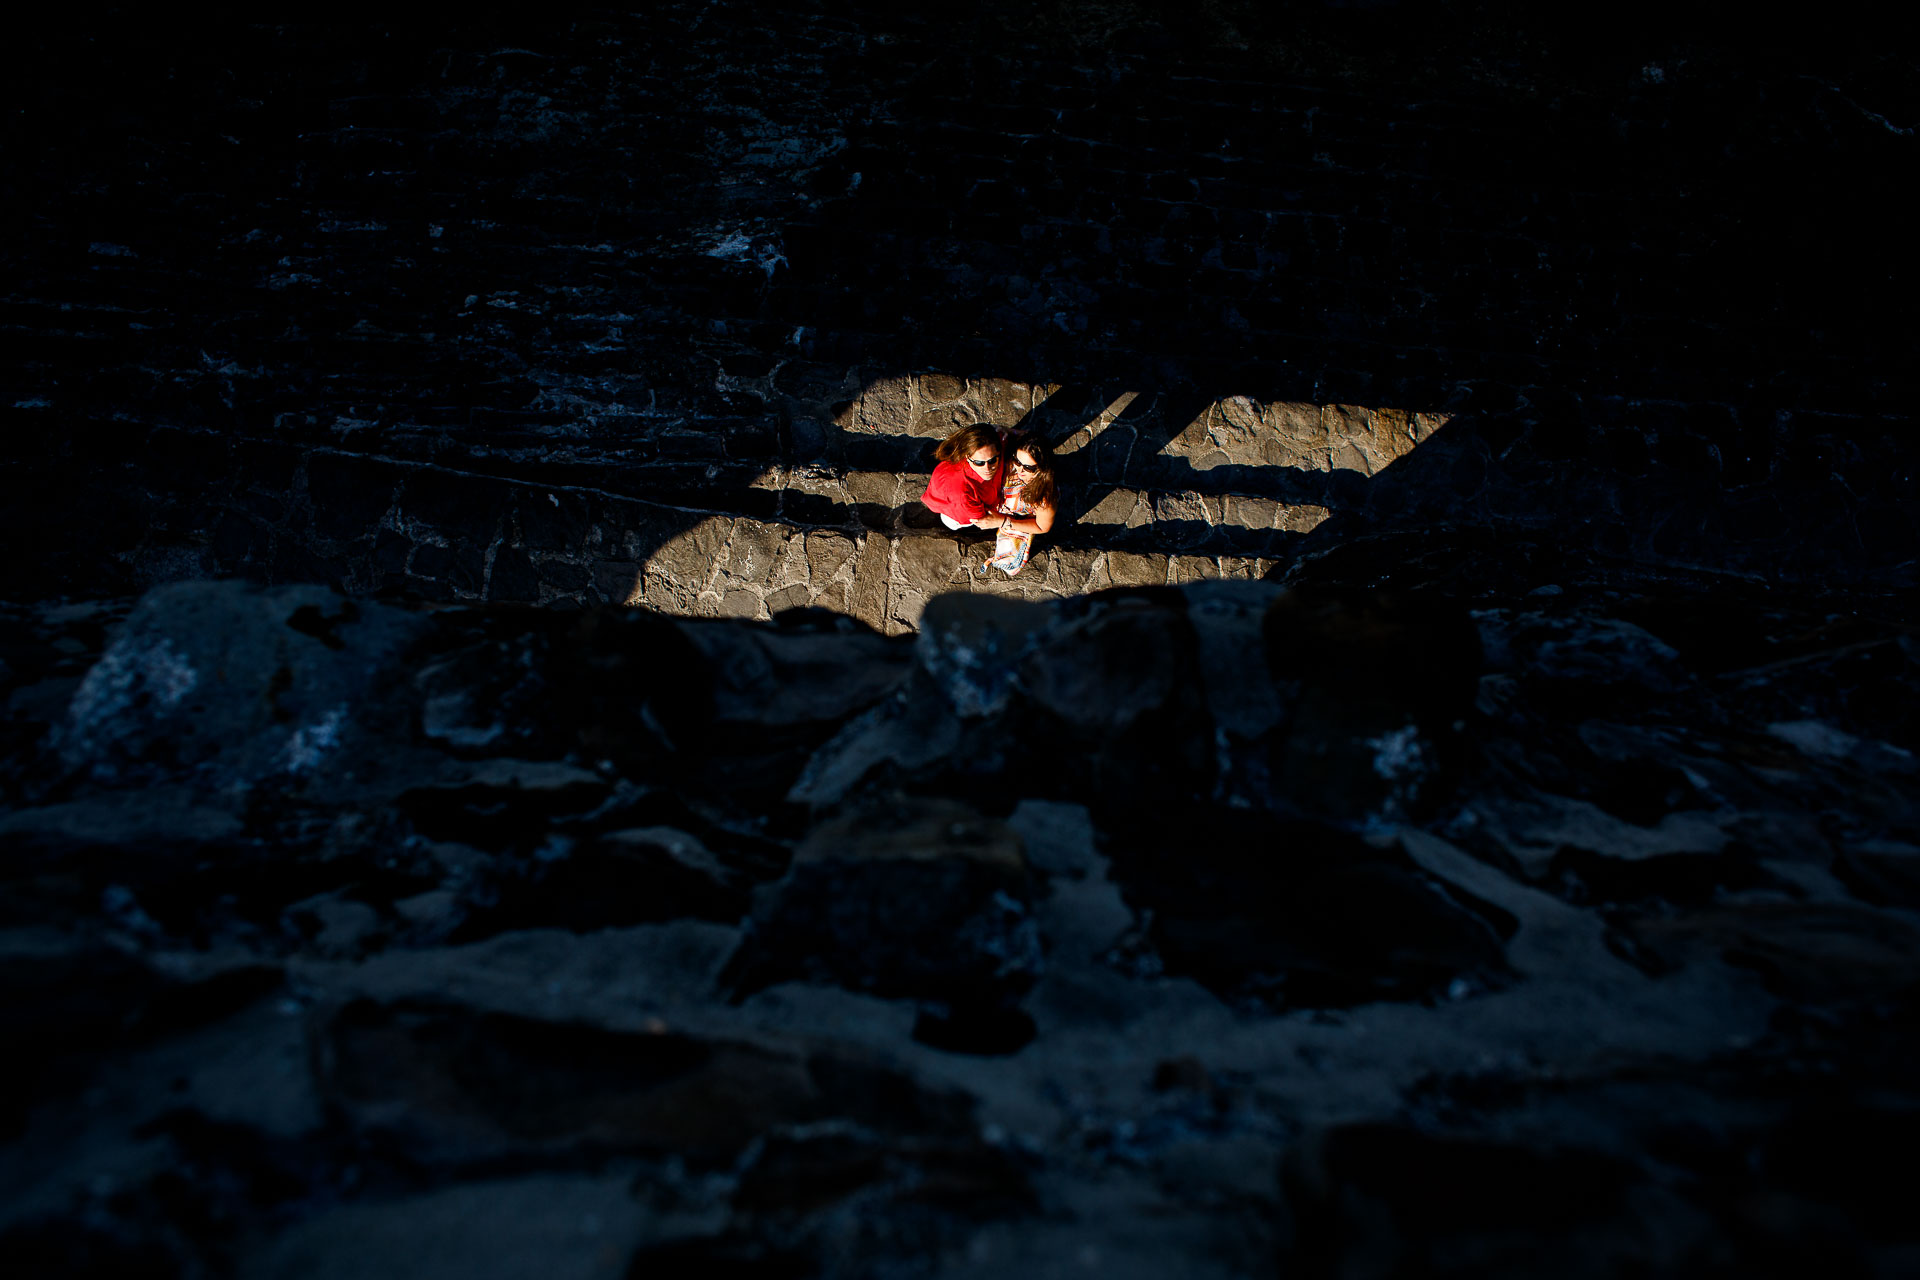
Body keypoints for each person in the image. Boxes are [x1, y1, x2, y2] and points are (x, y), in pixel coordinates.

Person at [984, 437, 1058, 577]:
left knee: (1010, 562)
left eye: (1028, 467)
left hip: (1018, 519)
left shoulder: (1044, 496)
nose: (1020, 469)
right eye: (1017, 461)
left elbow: (1042, 526)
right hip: (1001, 505)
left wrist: (1003, 522)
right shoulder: (1011, 465)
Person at [920, 423, 1008, 532]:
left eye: (992, 460)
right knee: (953, 523)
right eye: (979, 462)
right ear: (967, 457)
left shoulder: (997, 441)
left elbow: (1008, 435)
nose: (987, 468)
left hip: (979, 495)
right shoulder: (961, 494)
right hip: (958, 510)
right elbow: (982, 520)